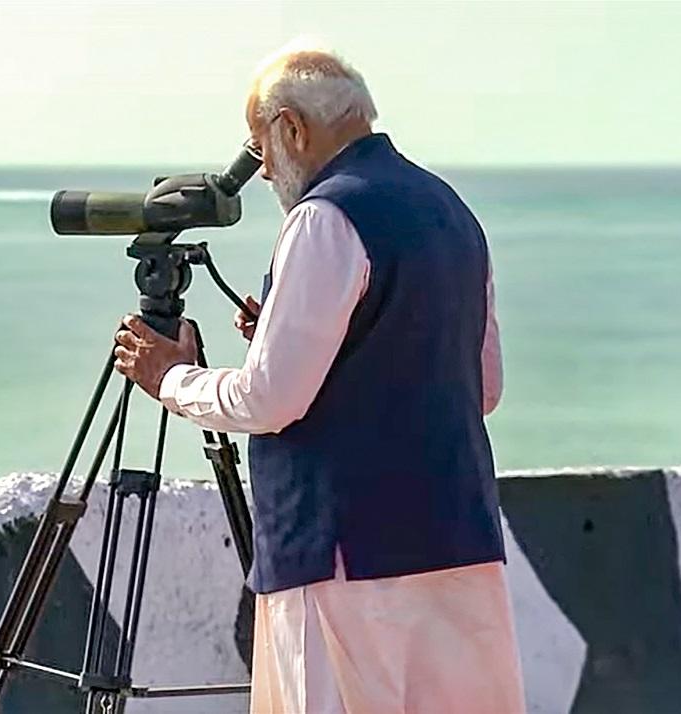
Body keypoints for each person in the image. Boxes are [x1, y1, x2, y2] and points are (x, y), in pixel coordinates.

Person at [113, 43, 525, 714]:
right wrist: (317, 347)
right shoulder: (450, 210)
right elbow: (479, 388)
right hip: (456, 539)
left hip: (344, 555)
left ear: (292, 129)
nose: (265, 168)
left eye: (260, 146)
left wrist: (171, 377)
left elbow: (267, 401)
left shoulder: (324, 217)